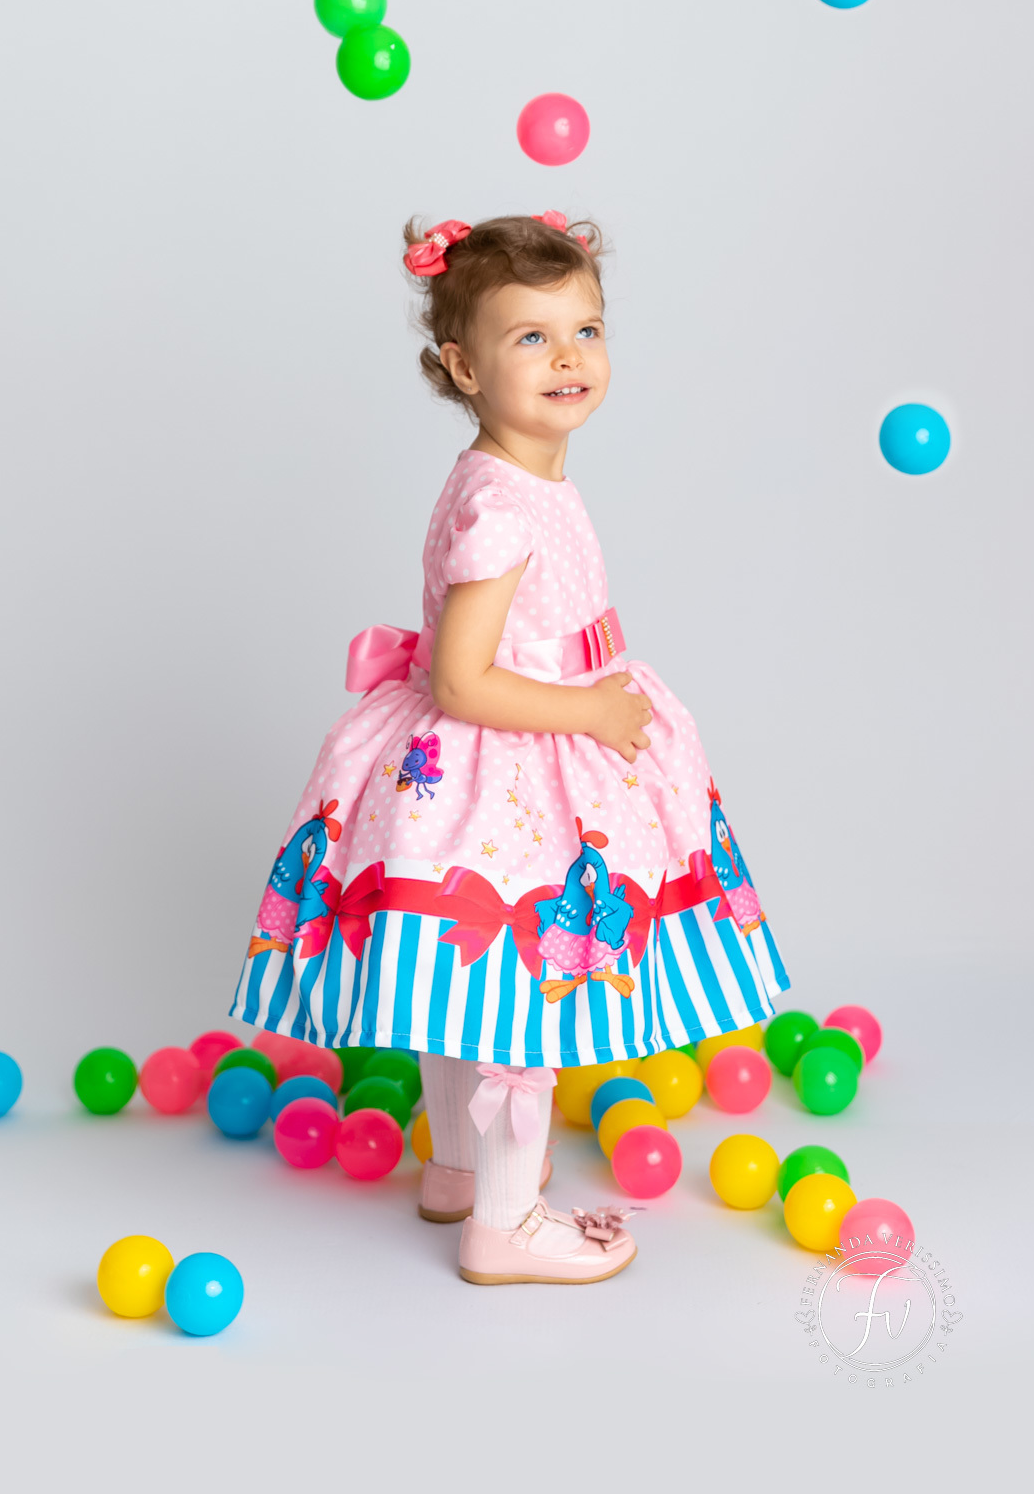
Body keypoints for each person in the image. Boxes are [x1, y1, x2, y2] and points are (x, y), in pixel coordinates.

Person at [231, 212, 789, 1284]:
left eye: (586, 329)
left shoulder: (508, 475)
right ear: (463, 367)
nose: (568, 355)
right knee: (520, 989)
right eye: (531, 337)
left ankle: (456, 1169)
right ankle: (507, 1222)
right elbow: (461, 678)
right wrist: (592, 714)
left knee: (463, 985)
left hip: (511, 752)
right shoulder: (503, 508)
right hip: (514, 766)